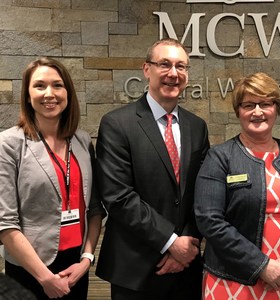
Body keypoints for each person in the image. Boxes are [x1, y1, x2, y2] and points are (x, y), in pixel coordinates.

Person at [194, 72, 280, 300]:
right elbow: (209, 219)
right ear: (238, 111)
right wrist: (262, 266)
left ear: (276, 108)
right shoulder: (220, 157)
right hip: (231, 279)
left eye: (265, 103)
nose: (257, 112)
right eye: (249, 105)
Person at [95, 38, 210, 300]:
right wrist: (171, 242)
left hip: (186, 269)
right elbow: (118, 197)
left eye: (181, 66)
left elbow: (203, 191)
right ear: (146, 69)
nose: (173, 74)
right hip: (135, 270)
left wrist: (189, 244)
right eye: (165, 64)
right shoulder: (117, 123)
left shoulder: (197, 126)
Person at [0, 57, 106, 299]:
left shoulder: (82, 140)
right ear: (27, 95)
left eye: (57, 85)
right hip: (30, 269)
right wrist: (45, 278)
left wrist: (86, 259)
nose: (50, 93)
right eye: (39, 86)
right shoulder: (8, 144)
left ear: (67, 92)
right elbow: (5, 222)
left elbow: (95, 209)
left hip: (75, 266)